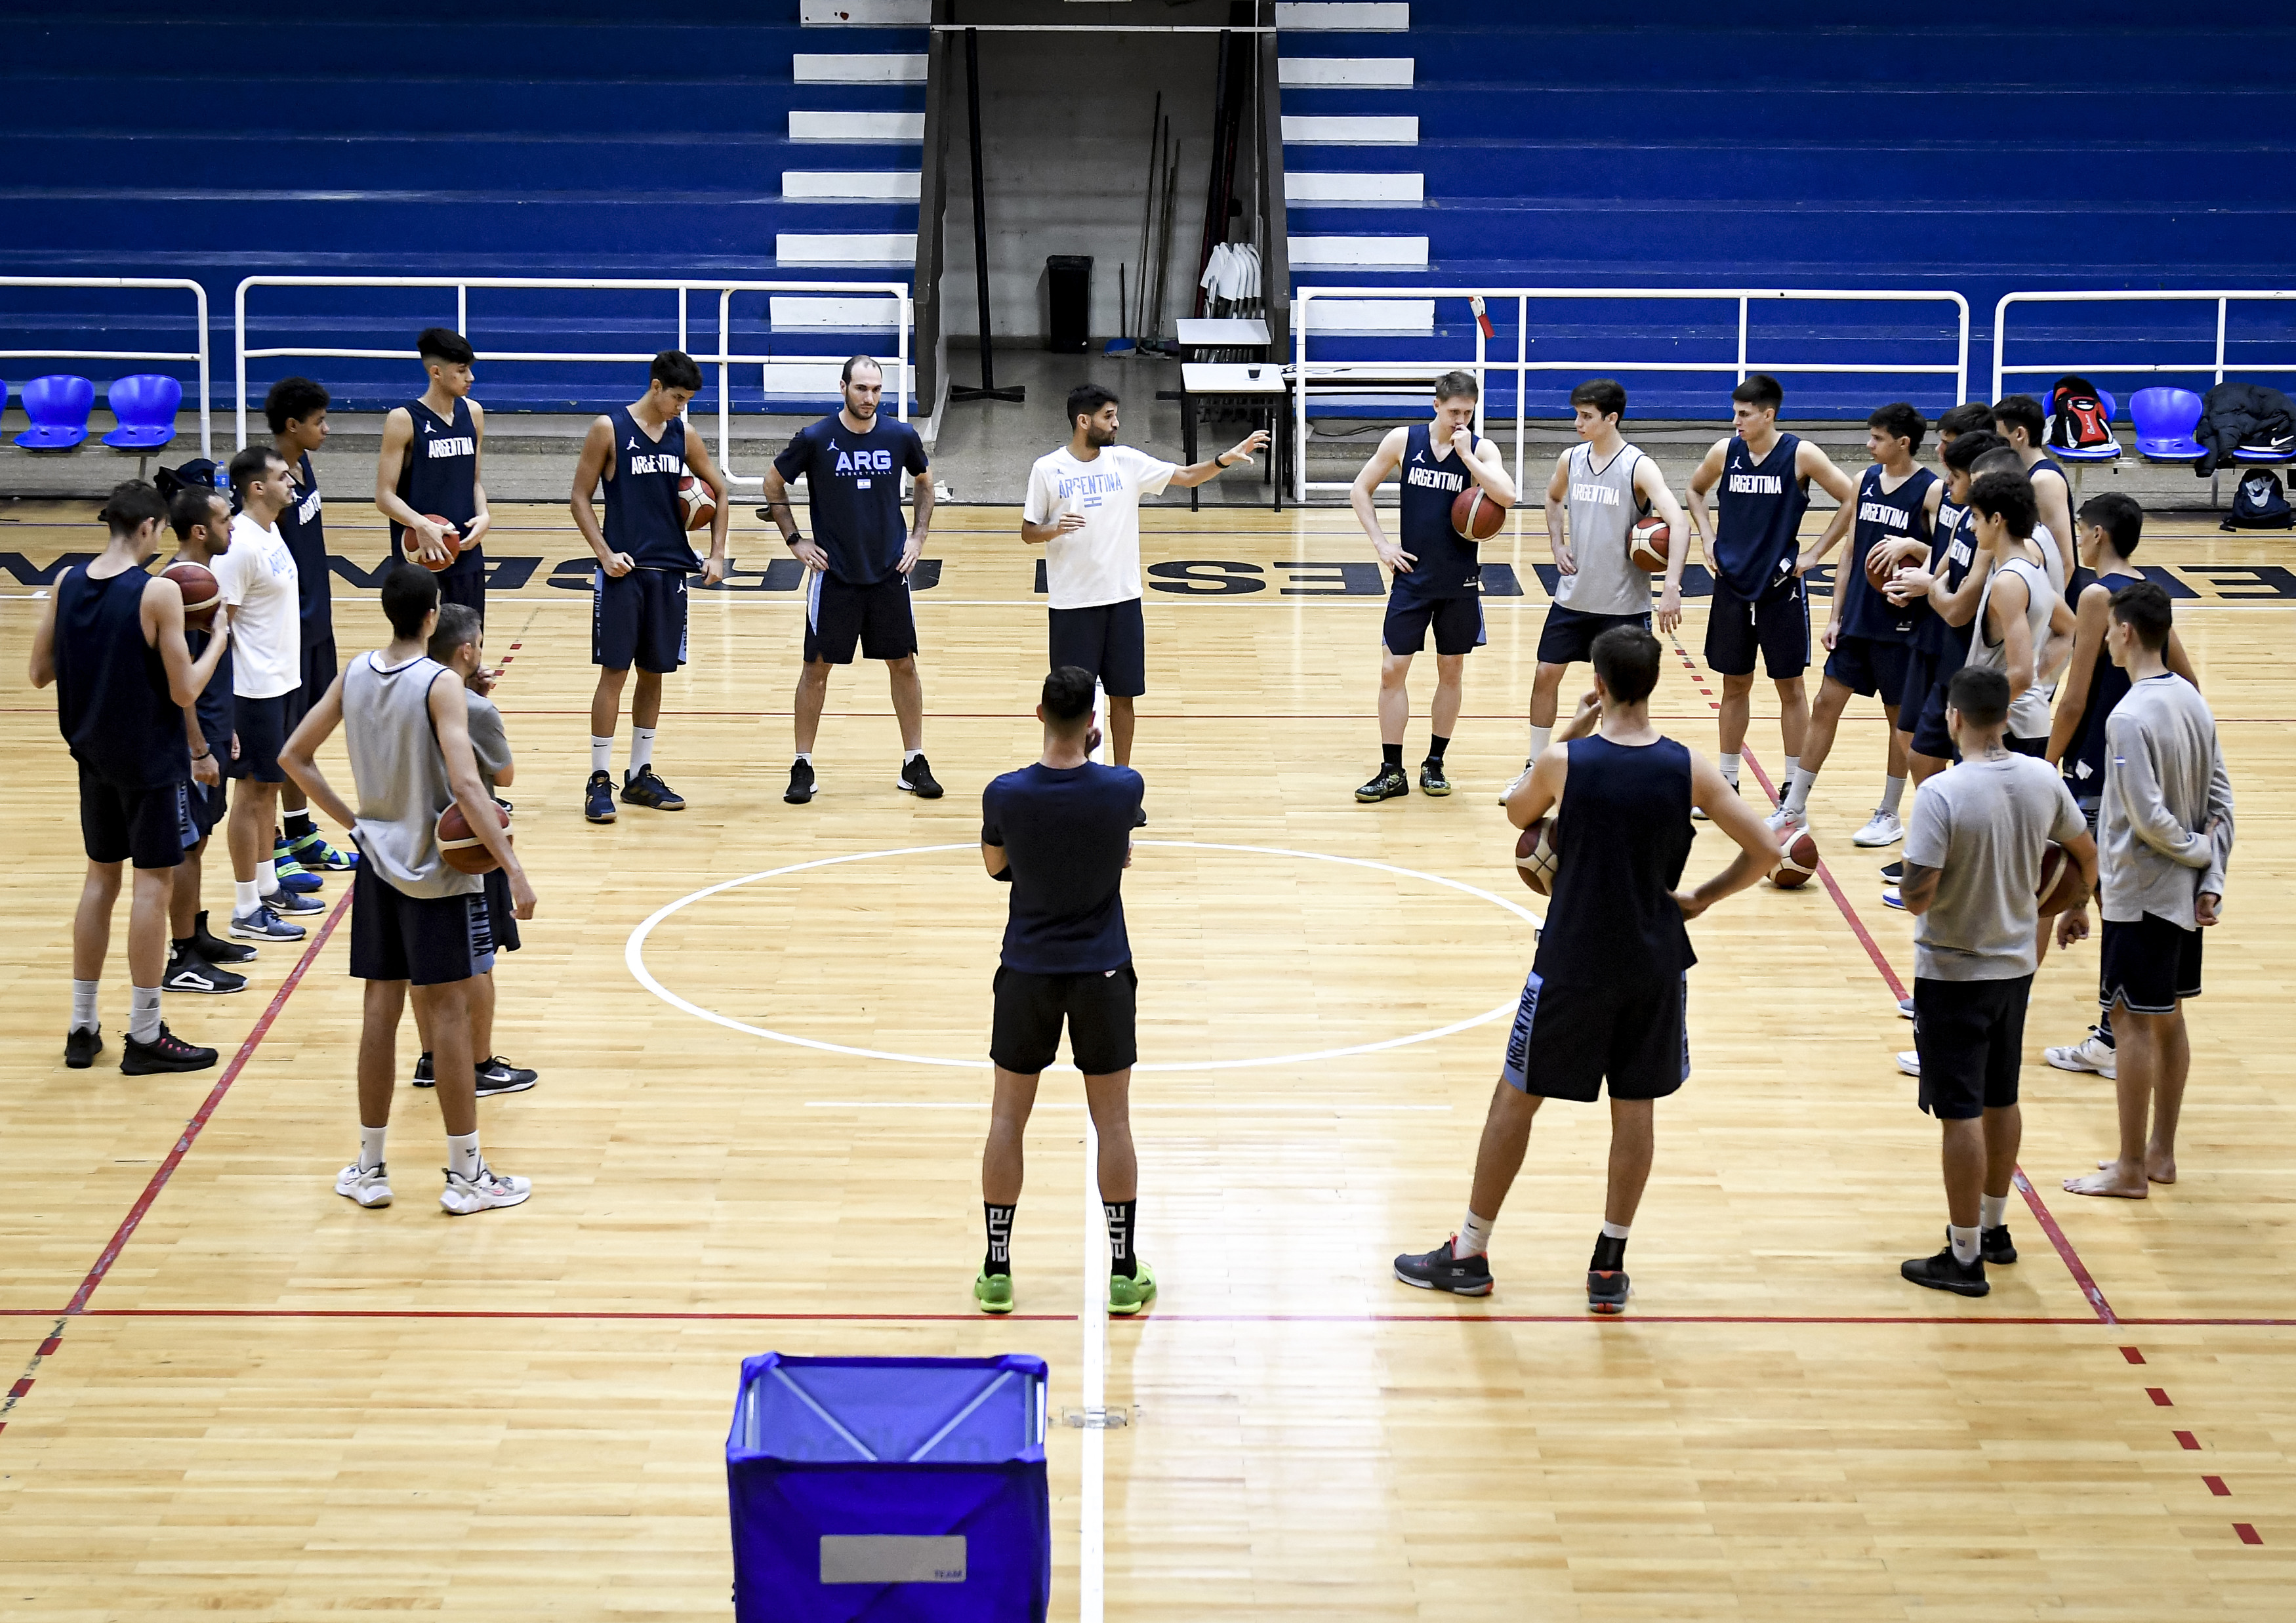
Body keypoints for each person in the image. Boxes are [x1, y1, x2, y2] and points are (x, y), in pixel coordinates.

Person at [1391, 627, 1782, 1311]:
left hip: (1572, 959)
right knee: (1634, 1109)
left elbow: (1516, 811)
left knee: (1515, 1097)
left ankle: (1470, 1251)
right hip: (1654, 962)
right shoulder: (1689, 766)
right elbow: (1766, 847)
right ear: (1653, 684)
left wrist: (1567, 728)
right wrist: (1701, 896)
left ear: (1598, 684)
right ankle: (1608, 1263)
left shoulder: (1564, 763)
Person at [279, 564, 537, 1215]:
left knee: (379, 1010)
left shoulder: (357, 671)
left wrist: (354, 822)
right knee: (447, 1015)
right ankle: (466, 1174)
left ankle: (368, 1166)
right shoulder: (440, 683)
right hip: (434, 868)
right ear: (432, 616)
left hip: (376, 862)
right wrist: (512, 867)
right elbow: (471, 786)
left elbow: (293, 755)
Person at [1893, 667, 2094, 1296]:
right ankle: (1996, 1227)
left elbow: (1920, 896)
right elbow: (2085, 854)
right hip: (2016, 968)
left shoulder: (1942, 794)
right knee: (2002, 1098)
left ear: (1953, 718)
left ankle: (1964, 1256)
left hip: (1954, 970)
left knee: (1959, 1114)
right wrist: (2075, 905)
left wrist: (1914, 882)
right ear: (2005, 718)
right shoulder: (2042, 778)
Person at [30, 480, 232, 1073]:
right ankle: (144, 1033)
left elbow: (40, 672)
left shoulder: (67, 583)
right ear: (147, 528)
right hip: (149, 763)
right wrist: (216, 639)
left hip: (92, 760)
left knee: (100, 883)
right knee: (152, 888)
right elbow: (184, 690)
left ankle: (82, 1027)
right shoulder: (158, 594)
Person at [975, 667, 1153, 1317]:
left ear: (1038, 714)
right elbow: (1119, 853)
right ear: (1093, 726)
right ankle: (1123, 1271)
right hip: (1103, 970)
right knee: (1112, 1122)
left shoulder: (1005, 794)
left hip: (1026, 969)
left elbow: (996, 867)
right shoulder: (1122, 787)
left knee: (1006, 1119)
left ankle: (997, 1270)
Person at [1022, 383, 1266, 821]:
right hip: (1072, 604)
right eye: (1109, 417)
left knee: (1124, 697)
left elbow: (1188, 477)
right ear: (1084, 421)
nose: (1116, 424)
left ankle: (1121, 787)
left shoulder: (1128, 462)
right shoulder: (1048, 470)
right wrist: (1053, 528)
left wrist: (1227, 457)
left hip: (1123, 602)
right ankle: (1067, 783)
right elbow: (1028, 531)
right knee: (1071, 704)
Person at [2060, 583, 2232, 1201]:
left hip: (2142, 895)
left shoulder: (2129, 716)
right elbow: (2221, 803)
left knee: (2129, 1022)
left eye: (2108, 629)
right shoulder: (2192, 699)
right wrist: (2209, 877)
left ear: (2126, 632)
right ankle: (2161, 1153)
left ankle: (2131, 1169)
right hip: (2185, 896)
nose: (2103, 638)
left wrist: (2196, 855)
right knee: (2171, 1018)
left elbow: (2146, 818)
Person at [2041, 494, 2197, 1081]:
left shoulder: (2097, 594)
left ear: (2098, 534)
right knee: (2119, 907)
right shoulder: (2147, 591)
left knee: (2113, 907)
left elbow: (2076, 694)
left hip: (2097, 767)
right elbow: (2189, 681)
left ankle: (2114, 1036)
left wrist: (2046, 762)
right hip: (2133, 768)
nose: (2078, 537)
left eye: (2082, 530)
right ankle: (2123, 1031)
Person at [1501, 377, 1689, 803]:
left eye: (1586, 417)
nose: (1577, 423)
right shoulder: (1572, 459)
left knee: (1619, 695)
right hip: (1574, 598)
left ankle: (1616, 771)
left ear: (1612, 418)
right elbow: (1551, 499)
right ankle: (1534, 769)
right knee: (1544, 675)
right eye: (1577, 415)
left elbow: (1678, 523)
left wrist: (1672, 586)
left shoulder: (1637, 466)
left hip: (1624, 605)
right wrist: (1557, 543)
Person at [762, 356, 938, 805]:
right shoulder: (817, 438)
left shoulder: (900, 435)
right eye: (861, 388)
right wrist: (796, 541)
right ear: (843, 387)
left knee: (904, 665)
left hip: (889, 573)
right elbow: (772, 484)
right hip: (834, 575)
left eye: (876, 389)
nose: (869, 398)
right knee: (815, 670)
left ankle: (913, 760)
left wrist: (917, 537)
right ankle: (803, 763)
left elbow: (924, 482)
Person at [1683, 374, 1858, 813]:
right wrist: (1706, 537)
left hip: (1781, 586)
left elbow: (1851, 497)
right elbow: (1694, 489)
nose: (1736, 421)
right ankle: (1726, 780)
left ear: (1768, 414)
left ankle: (1792, 787)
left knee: (1790, 687)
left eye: (1744, 414)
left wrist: (1817, 551)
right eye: (1735, 412)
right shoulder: (1726, 452)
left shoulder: (1800, 454)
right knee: (1734, 684)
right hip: (1732, 585)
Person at [569, 350, 731, 823]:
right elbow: (580, 496)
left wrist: (717, 554)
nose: (682, 406)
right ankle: (599, 779)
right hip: (623, 574)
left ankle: (640, 774)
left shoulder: (684, 435)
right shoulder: (609, 429)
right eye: (678, 397)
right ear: (656, 386)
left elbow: (720, 491)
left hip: (670, 575)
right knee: (614, 674)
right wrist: (603, 553)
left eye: (688, 400)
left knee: (654, 673)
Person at [1350, 371, 1519, 802]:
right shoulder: (1403, 441)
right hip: (1412, 580)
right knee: (1392, 671)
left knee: (1452, 672)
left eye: (1469, 412)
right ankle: (1392, 770)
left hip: (1460, 583)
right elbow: (1360, 490)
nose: (1462, 419)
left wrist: (1470, 459)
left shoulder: (1481, 449)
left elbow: (1509, 496)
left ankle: (1435, 763)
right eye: (1455, 411)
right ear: (1437, 405)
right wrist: (1382, 544)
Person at [1778, 403, 1940, 844]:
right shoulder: (1864, 482)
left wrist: (1915, 545)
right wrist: (1835, 615)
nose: (1869, 445)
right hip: (1858, 621)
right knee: (1825, 704)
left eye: (1877, 438)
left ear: (1903, 443)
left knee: (1898, 721)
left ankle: (1889, 813)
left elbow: (1949, 559)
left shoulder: (1931, 491)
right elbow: (1850, 553)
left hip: (1903, 624)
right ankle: (1793, 808)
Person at [409, 603, 539, 1097]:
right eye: (480, 643)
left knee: (422, 962)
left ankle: (429, 1059)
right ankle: (480, 1064)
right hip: (467, 844)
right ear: (467, 650)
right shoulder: (476, 711)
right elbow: (503, 777)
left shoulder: (405, 690)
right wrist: (482, 705)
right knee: (480, 959)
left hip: (412, 840)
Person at [216, 444, 322, 943]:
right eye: (283, 477)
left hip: (281, 682)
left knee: (267, 791)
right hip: (251, 690)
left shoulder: (271, 530)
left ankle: (267, 885)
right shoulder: (239, 545)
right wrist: (223, 707)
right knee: (251, 794)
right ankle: (244, 907)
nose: (292, 484)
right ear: (256, 487)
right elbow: (221, 627)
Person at [263, 376, 358, 888]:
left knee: (303, 738)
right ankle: (272, 844)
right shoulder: (268, 482)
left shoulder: (305, 465)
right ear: (292, 426)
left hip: (317, 622)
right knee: (278, 740)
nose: (328, 429)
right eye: (319, 422)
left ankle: (300, 833)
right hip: (286, 630)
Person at [159, 483, 250, 996]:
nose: (231, 526)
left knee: (203, 836)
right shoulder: (179, 588)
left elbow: (210, 675)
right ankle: (182, 956)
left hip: (215, 726)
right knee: (188, 847)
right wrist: (197, 748)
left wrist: (226, 726)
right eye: (223, 520)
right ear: (200, 531)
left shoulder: (203, 579)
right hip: (190, 742)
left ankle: (196, 932)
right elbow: (180, 684)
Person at [377, 327, 491, 619]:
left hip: (466, 553)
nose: (471, 378)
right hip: (420, 560)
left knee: (468, 647)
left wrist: (484, 514)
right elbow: (384, 496)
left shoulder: (474, 413)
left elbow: (474, 481)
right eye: (462, 371)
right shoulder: (403, 419)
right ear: (437, 373)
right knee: (420, 653)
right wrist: (420, 525)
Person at [1990, 394, 2076, 584]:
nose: (1995, 443)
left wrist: (2048, 611)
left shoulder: (2045, 480)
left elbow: (2064, 562)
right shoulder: (2021, 474)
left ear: (2020, 434)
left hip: (2050, 599)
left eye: (2000, 436)